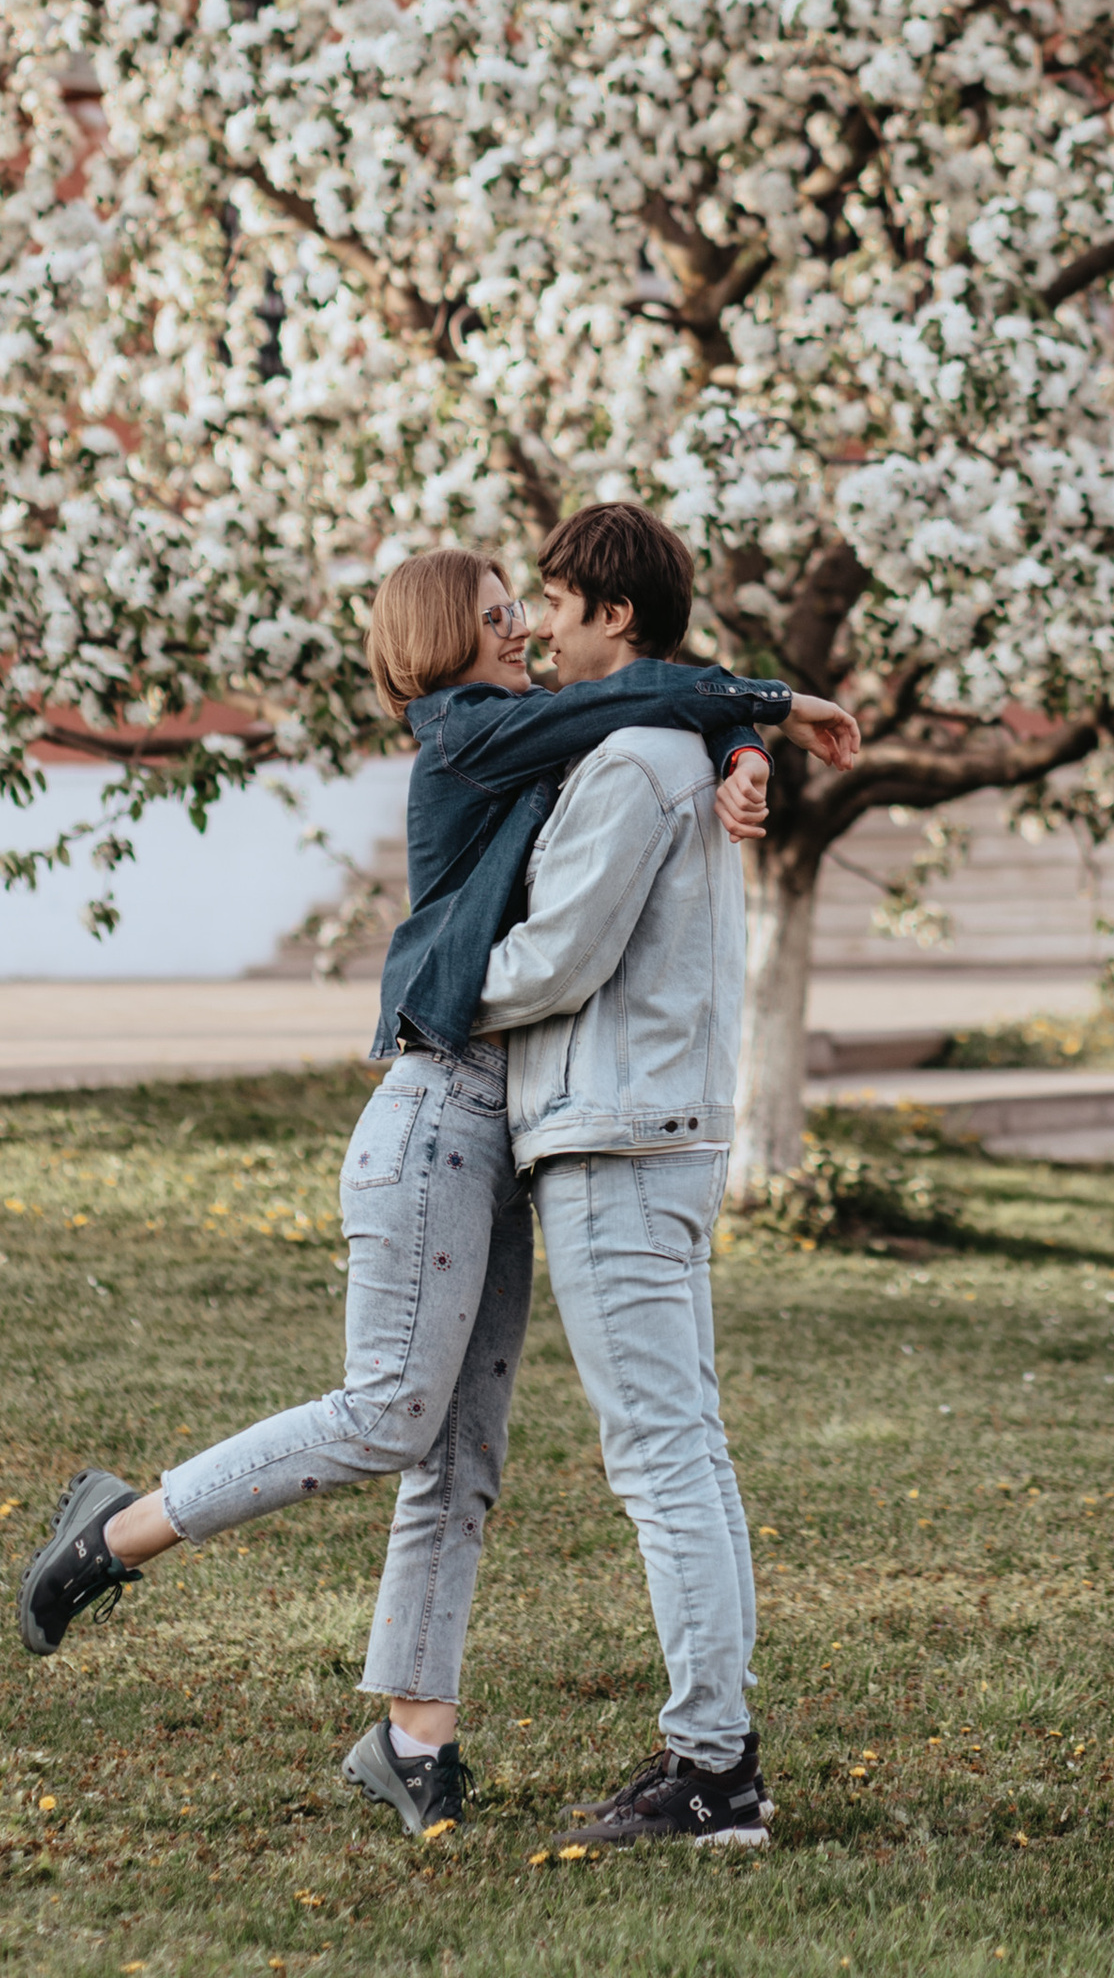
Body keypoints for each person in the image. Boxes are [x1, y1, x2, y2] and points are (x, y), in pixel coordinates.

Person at [13, 519, 858, 1844]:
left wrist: (745, 740)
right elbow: (647, 717)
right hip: (447, 1092)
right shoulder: (467, 733)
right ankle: (122, 1530)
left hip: (516, 1110)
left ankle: (418, 1742)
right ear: (448, 641)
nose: (527, 624)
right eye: (504, 611)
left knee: (458, 1450)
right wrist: (743, 719)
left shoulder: (570, 737)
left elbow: (654, 706)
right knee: (397, 1415)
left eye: (544, 605)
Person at [463, 522, 805, 1850]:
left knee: (663, 1458)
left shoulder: (629, 764)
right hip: (650, 1132)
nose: (540, 627)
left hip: (616, 1140)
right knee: (686, 1449)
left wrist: (430, 997)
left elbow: (558, 961)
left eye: (553, 601)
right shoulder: (677, 751)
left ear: (615, 614)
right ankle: (717, 1759)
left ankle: (713, 1771)